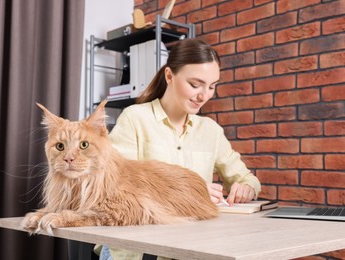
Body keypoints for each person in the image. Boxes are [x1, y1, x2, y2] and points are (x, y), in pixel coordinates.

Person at [99, 38, 261, 260]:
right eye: (195, 85)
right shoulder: (135, 119)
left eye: (212, 86)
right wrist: (189, 189)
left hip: (191, 248)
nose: (204, 95)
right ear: (169, 76)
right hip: (135, 251)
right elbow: (115, 187)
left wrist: (246, 188)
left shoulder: (211, 131)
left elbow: (247, 180)